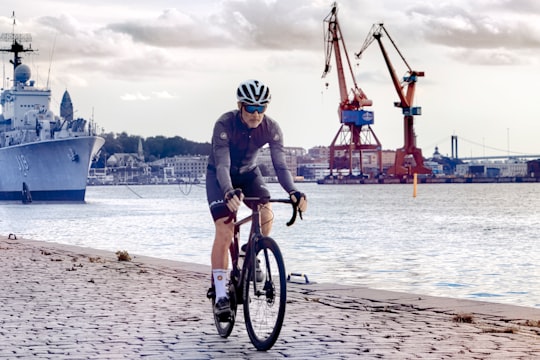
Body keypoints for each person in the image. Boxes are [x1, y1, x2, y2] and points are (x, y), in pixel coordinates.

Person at [206, 79, 307, 318]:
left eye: (262, 108)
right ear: (240, 106)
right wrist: (229, 191)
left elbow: (280, 166)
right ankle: (220, 292)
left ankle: (251, 251)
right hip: (220, 176)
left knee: (266, 210)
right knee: (224, 229)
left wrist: (293, 192)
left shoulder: (271, 128)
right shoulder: (225, 123)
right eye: (251, 108)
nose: (256, 113)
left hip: (250, 173)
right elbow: (222, 164)